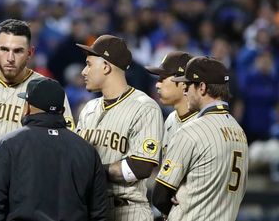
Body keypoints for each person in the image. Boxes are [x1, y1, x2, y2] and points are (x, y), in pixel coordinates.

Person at [0, 77, 107, 221]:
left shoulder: (7, 145)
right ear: (61, 110)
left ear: (27, 107)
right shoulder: (87, 150)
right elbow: (99, 213)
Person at [0, 19, 74, 182]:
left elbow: (66, 141)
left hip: (23, 186)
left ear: (30, 52)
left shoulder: (48, 90)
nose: (10, 58)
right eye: (4, 49)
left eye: (18, 51)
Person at [76, 35, 164, 221]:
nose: (84, 71)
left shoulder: (144, 106)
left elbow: (141, 167)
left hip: (127, 210)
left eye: (89, 64)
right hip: (92, 210)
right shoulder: (89, 109)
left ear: (106, 66)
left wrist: (93, 171)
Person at [152, 56, 249, 221]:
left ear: (202, 87)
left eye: (188, 85)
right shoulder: (239, 132)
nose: (184, 91)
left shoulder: (191, 131)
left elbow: (160, 196)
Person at [145, 51, 198, 158]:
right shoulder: (171, 119)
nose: (157, 84)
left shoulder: (202, 124)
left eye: (163, 78)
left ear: (183, 83)